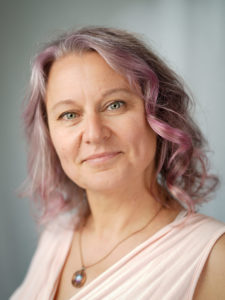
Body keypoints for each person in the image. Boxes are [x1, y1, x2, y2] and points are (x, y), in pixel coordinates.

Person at [11, 26, 225, 300]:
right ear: (49, 135)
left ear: (159, 115)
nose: (94, 134)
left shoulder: (214, 259)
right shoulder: (55, 237)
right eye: (69, 114)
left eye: (115, 105)